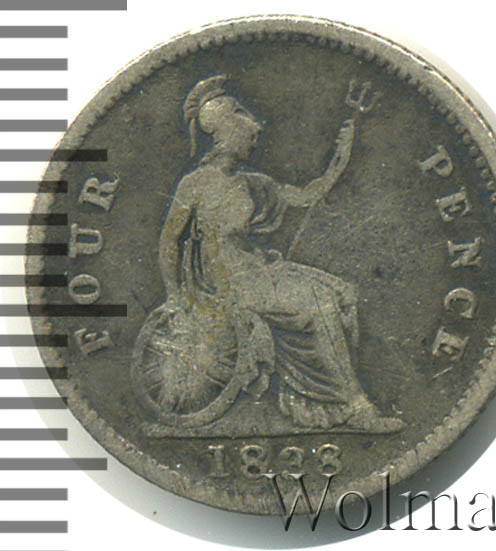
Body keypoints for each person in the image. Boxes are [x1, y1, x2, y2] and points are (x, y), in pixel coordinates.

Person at [155, 75, 402, 432]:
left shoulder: (252, 183)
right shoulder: (194, 184)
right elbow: (169, 242)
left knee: (342, 294)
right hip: (226, 285)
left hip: (256, 274)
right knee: (320, 304)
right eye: (243, 118)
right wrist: (174, 298)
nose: (257, 127)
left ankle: (320, 403)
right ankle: (354, 407)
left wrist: (341, 155)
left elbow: (307, 196)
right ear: (222, 128)